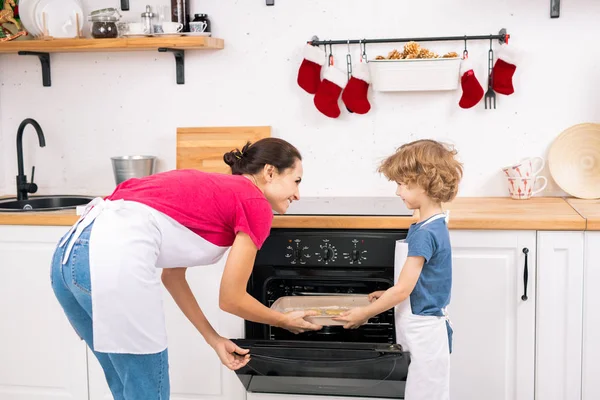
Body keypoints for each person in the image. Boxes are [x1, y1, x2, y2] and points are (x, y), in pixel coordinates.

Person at [50, 138, 322, 400]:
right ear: (270, 172)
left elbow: (172, 276)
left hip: (67, 260)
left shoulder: (214, 189)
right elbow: (231, 299)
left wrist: (213, 339)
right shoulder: (255, 202)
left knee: (126, 387)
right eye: (296, 181)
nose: (298, 194)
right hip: (112, 262)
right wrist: (284, 321)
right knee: (147, 393)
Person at [334, 139, 463, 400]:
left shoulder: (425, 233)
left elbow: (403, 289)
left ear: (424, 182)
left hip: (423, 332)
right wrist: (387, 293)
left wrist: (364, 314)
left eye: (402, 184)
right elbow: (419, 281)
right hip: (425, 327)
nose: (397, 191)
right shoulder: (434, 223)